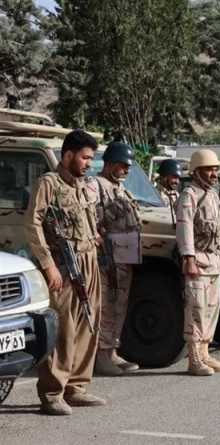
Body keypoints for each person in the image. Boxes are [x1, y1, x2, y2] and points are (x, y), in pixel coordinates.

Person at [25, 129, 105, 415]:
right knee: (63, 329)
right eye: (85, 158)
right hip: (63, 264)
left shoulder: (82, 186)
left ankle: (76, 386)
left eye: (91, 159)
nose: (88, 164)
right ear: (68, 154)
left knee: (88, 323)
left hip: (88, 261)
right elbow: (33, 224)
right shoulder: (49, 183)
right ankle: (51, 392)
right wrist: (47, 265)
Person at [176, 149, 220, 376]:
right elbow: (185, 227)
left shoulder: (212, 195)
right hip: (198, 260)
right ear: (196, 171)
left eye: (216, 169)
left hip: (214, 261)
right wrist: (188, 257)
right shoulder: (190, 195)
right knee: (196, 308)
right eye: (209, 169)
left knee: (211, 309)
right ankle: (194, 358)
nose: (213, 174)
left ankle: (206, 352)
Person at [93, 142, 142, 376]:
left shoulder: (120, 188)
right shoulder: (96, 185)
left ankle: (112, 349)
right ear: (110, 163)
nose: (126, 170)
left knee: (120, 304)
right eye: (123, 165)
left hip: (124, 256)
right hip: (107, 257)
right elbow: (93, 221)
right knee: (106, 306)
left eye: (128, 167)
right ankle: (101, 354)